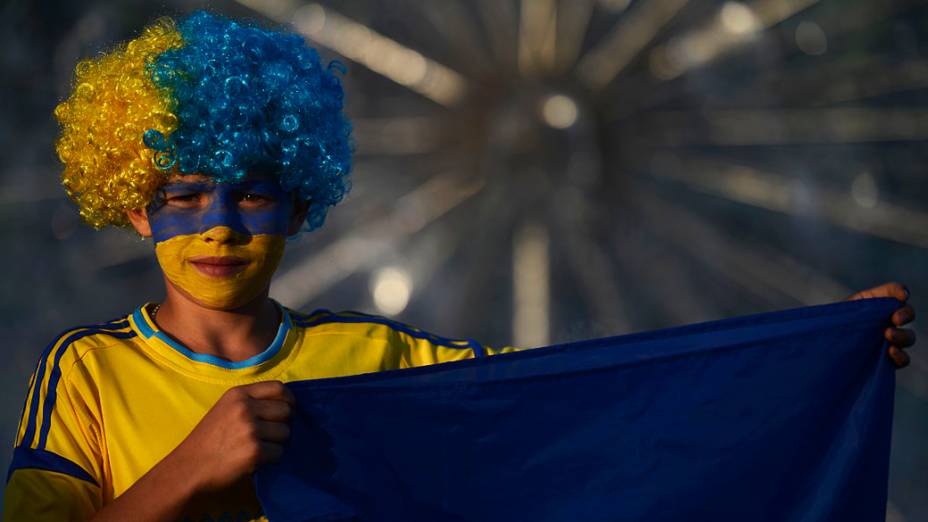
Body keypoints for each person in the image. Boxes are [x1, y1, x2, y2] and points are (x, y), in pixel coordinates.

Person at [2, 11, 915, 522]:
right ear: (132, 204)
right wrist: (192, 468)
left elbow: (604, 406)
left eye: (254, 192)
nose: (220, 225)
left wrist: (823, 345)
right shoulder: (87, 373)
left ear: (300, 202)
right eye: (183, 195)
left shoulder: (385, 363)